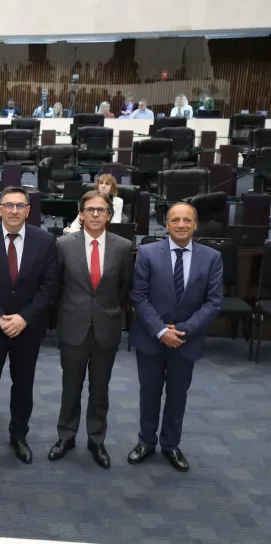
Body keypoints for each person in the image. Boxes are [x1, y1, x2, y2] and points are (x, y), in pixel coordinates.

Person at [127, 203, 222, 472]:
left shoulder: (212, 257)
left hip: (186, 339)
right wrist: (160, 330)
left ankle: (171, 445)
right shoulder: (146, 253)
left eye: (187, 220)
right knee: (149, 393)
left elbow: (213, 302)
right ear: (166, 225)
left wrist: (183, 331)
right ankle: (145, 441)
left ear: (195, 225)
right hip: (151, 337)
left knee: (178, 395)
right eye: (175, 220)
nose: (181, 225)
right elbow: (139, 295)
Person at [0, 186, 58, 464]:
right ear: (0, 209)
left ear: (28, 210)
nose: (14, 211)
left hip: (27, 328)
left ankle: (19, 435)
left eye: (20, 206)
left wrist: (24, 317)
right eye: (9, 205)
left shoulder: (45, 241)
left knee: (23, 384)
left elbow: (49, 285)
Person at [47, 191, 133, 469]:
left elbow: (124, 289)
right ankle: (66, 436)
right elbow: (55, 287)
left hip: (106, 327)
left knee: (100, 390)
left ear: (109, 215)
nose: (95, 214)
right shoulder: (62, 245)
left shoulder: (123, 246)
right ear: (81, 215)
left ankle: (96, 440)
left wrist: (106, 310)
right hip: (73, 326)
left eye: (101, 210)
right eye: (90, 210)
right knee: (70, 387)